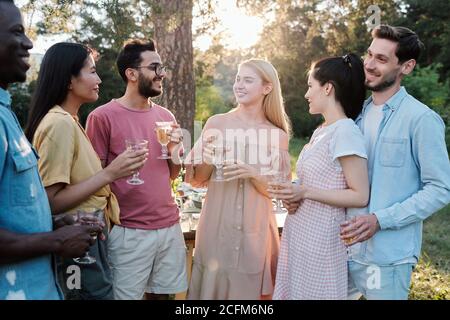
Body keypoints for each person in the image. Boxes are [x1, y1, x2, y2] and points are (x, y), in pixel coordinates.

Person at [24, 42, 148, 300]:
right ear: (70, 80)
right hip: (76, 240)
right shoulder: (59, 124)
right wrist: (109, 173)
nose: (99, 79)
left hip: (88, 235)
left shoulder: (68, 120)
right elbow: (50, 202)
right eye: (92, 71)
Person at [0, 0, 103, 300]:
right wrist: (55, 241)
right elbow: (54, 195)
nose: (28, 42)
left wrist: (53, 223)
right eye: (16, 32)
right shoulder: (58, 123)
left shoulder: (7, 115)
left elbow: (14, 210)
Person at [339, 25, 450, 300]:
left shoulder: (421, 119)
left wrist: (381, 220)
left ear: (407, 67)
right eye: (369, 55)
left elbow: (440, 188)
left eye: (381, 59)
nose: (369, 65)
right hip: (343, 250)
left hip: (385, 259)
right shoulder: (354, 115)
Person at [86, 39, 187, 300]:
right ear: (131, 74)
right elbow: (93, 178)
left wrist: (176, 152)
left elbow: (171, 175)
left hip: (169, 226)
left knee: (162, 296)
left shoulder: (166, 116)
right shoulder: (102, 117)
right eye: (154, 67)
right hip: (128, 231)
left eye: (162, 67)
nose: (161, 73)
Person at [184, 58, 291, 300]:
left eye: (248, 80)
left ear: (267, 87)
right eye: (237, 79)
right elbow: (197, 179)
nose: (239, 85)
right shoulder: (217, 123)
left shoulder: (277, 135)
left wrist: (253, 174)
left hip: (256, 234)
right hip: (215, 230)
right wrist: (207, 158)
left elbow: (278, 191)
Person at [268, 54, 370, 299]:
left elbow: (360, 194)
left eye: (310, 86)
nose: (306, 94)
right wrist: (293, 193)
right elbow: (315, 182)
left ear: (327, 88)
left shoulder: (346, 132)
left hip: (323, 241)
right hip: (302, 235)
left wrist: (304, 192)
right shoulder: (323, 131)